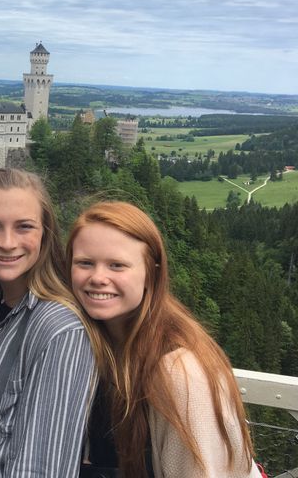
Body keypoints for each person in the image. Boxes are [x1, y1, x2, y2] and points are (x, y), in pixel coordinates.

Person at [67, 201, 263, 478]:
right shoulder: (92, 344)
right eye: (85, 263)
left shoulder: (180, 371)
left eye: (117, 265)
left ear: (152, 272)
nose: (98, 277)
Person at [0, 168, 96, 477]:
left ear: (45, 232)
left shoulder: (60, 331)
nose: (7, 242)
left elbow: (41, 468)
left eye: (24, 227)